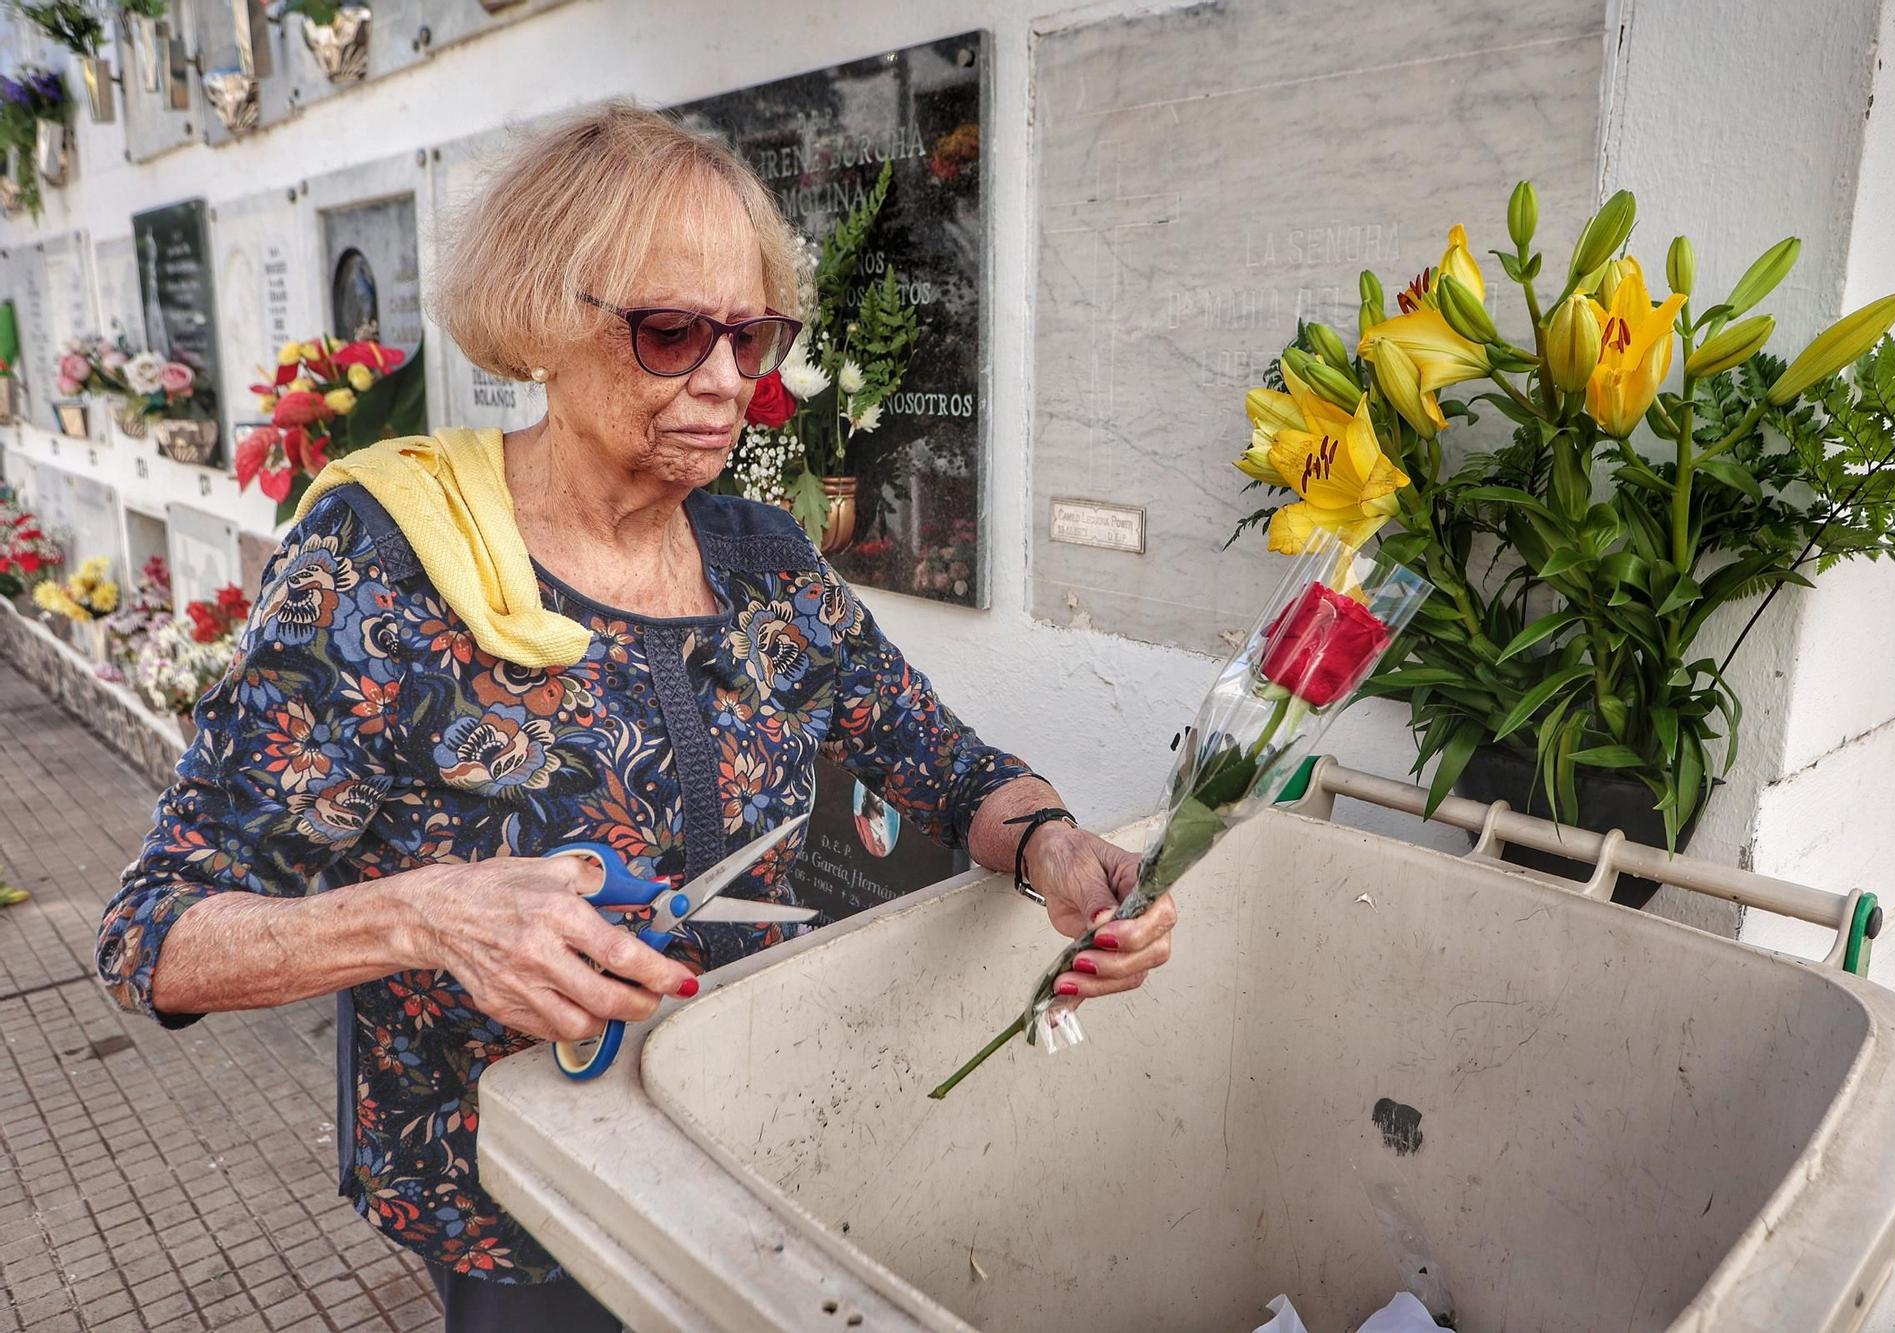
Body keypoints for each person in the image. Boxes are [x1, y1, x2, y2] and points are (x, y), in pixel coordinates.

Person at [98, 104, 1178, 1332]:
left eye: (752, 335)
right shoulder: (384, 567)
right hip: (523, 1203)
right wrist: (421, 914)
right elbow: (154, 935)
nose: (725, 380)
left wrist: (1051, 847)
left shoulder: (758, 556)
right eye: (671, 332)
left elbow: (934, 760)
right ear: (548, 322)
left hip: (745, 1147)